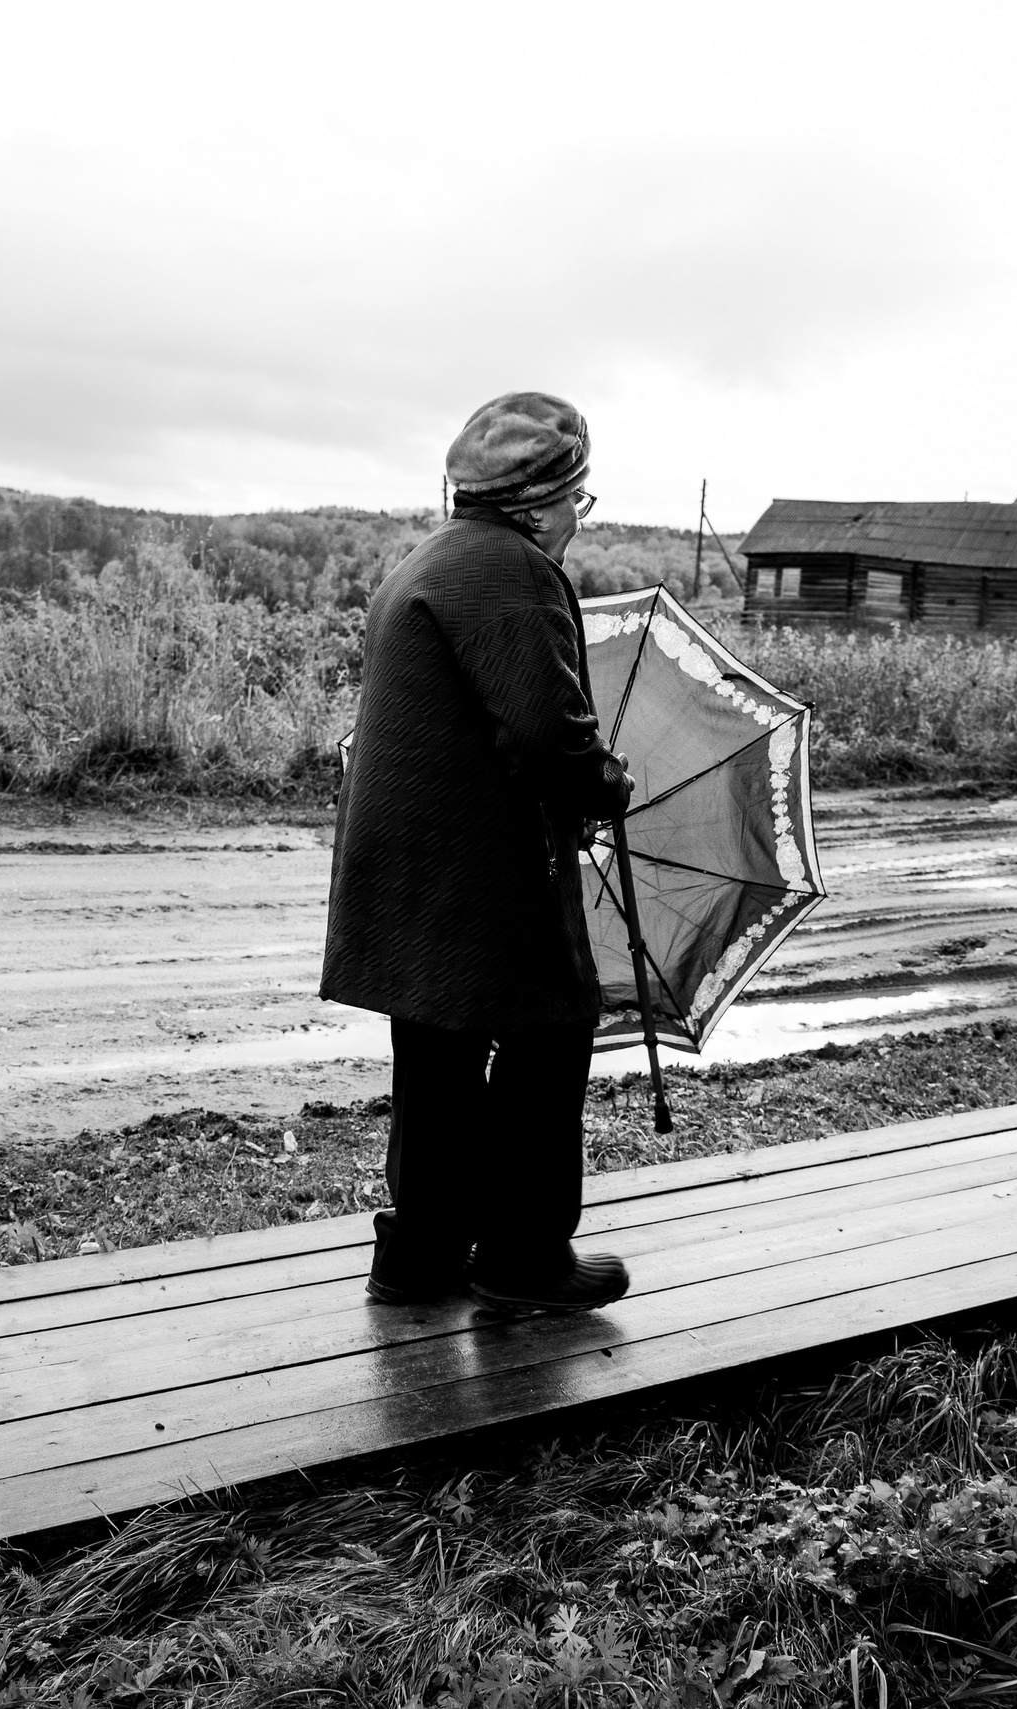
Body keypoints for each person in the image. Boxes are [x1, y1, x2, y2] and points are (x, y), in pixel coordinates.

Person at [321, 391, 635, 1314]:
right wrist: (607, 788)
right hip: (478, 870)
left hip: (404, 863)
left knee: (439, 1055)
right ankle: (523, 1259)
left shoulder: (427, 560)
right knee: (551, 1032)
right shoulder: (513, 571)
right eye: (579, 498)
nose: (580, 516)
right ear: (540, 502)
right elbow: (546, 739)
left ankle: (417, 1259)